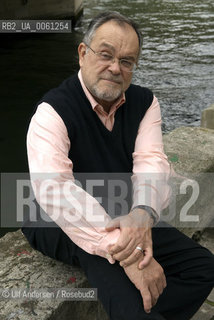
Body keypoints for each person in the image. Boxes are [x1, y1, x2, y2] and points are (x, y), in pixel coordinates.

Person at [21, 11, 214, 320]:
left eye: (126, 61)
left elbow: (151, 162)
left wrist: (142, 215)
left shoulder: (144, 102)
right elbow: (56, 190)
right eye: (106, 55)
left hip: (119, 210)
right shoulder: (51, 111)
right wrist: (132, 254)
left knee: (202, 268)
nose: (115, 68)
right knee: (118, 282)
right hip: (52, 219)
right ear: (83, 53)